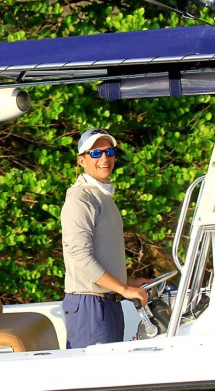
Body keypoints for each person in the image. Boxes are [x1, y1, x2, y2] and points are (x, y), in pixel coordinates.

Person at [61, 128, 152, 349]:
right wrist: (123, 289)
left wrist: (126, 284)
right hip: (90, 306)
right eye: (95, 153)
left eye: (109, 152)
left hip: (108, 303)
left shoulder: (102, 195)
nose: (104, 158)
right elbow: (79, 256)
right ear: (81, 160)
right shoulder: (80, 198)